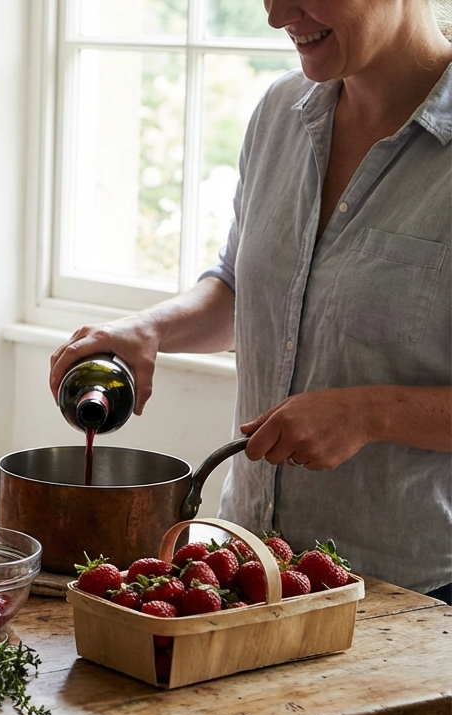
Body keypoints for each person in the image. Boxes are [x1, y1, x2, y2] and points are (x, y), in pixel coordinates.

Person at [49, 0, 452, 599]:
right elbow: (242, 287)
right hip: (250, 572)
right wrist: (151, 329)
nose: (276, 15)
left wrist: (371, 413)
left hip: (414, 601)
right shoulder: (279, 115)